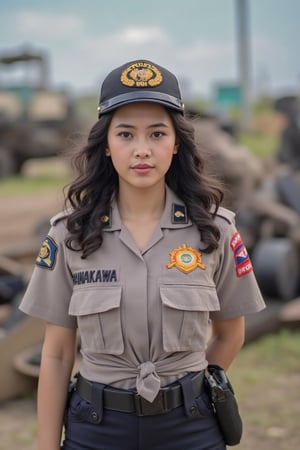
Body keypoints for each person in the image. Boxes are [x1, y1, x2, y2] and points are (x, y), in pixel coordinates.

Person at [19, 59, 265, 450]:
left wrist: (190, 392)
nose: (142, 150)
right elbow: (57, 354)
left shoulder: (214, 231)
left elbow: (230, 334)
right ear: (106, 145)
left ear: (177, 142)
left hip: (191, 430)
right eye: (126, 135)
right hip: (96, 429)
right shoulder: (70, 234)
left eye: (156, 133)